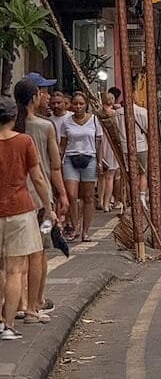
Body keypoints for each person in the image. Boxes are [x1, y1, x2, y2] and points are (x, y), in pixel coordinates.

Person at [0, 95, 56, 341]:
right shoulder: (24, 141)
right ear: (14, 117)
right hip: (21, 211)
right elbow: (38, 177)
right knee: (14, 270)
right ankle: (8, 325)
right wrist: (48, 206)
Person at [13, 79, 67, 325]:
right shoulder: (45, 127)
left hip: (14, 203)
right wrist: (61, 196)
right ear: (34, 97)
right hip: (41, 204)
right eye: (41, 92)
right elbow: (54, 168)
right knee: (40, 252)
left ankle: (19, 303)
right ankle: (35, 304)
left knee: (16, 257)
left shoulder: (9, 128)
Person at [58, 92, 103, 242]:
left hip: (89, 158)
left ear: (86, 105)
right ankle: (75, 226)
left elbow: (99, 143)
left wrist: (100, 161)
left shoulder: (95, 121)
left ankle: (85, 231)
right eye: (75, 104)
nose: (78, 107)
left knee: (88, 196)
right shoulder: (66, 122)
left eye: (81, 104)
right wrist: (57, 161)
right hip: (70, 159)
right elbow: (63, 144)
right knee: (71, 195)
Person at [97, 91, 120, 212]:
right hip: (111, 145)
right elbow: (118, 131)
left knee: (101, 176)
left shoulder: (97, 114)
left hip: (100, 144)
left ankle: (100, 200)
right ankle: (106, 203)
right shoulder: (114, 114)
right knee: (110, 177)